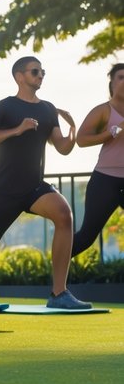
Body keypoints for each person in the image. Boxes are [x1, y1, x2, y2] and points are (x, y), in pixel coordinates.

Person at [0, 57, 88, 309]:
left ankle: (59, 293)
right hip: (4, 188)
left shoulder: (48, 109)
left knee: (64, 214)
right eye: (35, 71)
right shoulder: (5, 106)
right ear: (19, 76)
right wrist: (17, 129)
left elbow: (63, 148)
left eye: (42, 71)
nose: (40, 75)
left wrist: (72, 129)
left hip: (34, 187)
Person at [70, 62, 124, 269]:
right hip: (105, 180)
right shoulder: (103, 110)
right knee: (86, 237)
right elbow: (81, 140)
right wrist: (113, 131)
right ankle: (55, 278)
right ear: (112, 83)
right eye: (121, 77)